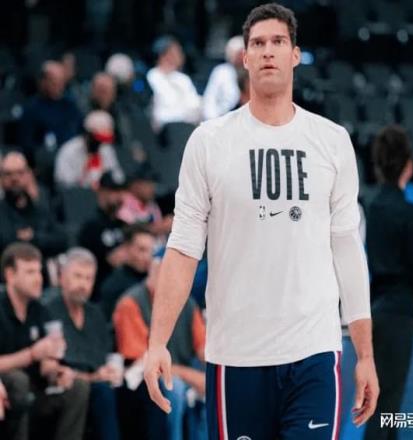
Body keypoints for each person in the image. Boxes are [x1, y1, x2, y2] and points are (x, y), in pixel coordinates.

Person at [144, 4, 378, 440]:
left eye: (278, 42)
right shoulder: (209, 142)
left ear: (295, 55)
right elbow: (183, 248)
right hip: (236, 354)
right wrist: (158, 341)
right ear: (245, 58)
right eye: (258, 43)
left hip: (313, 351)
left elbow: (347, 250)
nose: (268, 51)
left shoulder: (331, 142)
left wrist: (365, 354)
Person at [364, 125, 413, 440]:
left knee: (387, 403)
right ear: (408, 166)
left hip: (376, 310)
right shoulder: (410, 213)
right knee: (388, 404)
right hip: (401, 312)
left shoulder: (373, 208)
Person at [114, 250, 206, 440]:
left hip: (180, 372)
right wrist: (191, 376)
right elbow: (141, 361)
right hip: (142, 378)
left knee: (214, 387)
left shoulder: (188, 304)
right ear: (152, 270)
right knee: (175, 388)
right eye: (162, 272)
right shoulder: (131, 303)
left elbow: (205, 350)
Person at [0, 243, 89, 440]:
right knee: (18, 380)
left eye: (39, 271)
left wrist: (56, 372)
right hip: (7, 390)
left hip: (35, 390)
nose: (38, 278)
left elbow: (46, 363)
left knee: (78, 387)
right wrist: (32, 354)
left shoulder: (40, 310)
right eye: (30, 272)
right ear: (10, 275)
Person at [45, 248, 122, 440]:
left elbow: (105, 356)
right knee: (100, 392)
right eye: (78, 276)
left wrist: (109, 371)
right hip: (60, 385)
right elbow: (52, 369)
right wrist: (92, 377)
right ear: (62, 277)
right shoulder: (48, 310)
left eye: (89, 278)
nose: (83, 284)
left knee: (128, 390)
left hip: (95, 382)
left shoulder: (95, 313)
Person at [0, 151, 67, 257]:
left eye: (20, 173)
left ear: (29, 175)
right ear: (1, 178)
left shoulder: (41, 210)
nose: (14, 178)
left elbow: (62, 240)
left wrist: (34, 237)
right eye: (8, 174)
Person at [18, 61, 82, 163]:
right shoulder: (31, 109)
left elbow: (79, 133)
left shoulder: (70, 106)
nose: (59, 86)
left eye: (61, 82)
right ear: (43, 82)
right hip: (44, 162)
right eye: (54, 82)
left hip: (72, 159)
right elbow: (27, 145)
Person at [77, 172, 127, 292]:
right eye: (114, 191)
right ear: (101, 192)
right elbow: (114, 259)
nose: (119, 196)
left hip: (124, 286)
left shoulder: (123, 225)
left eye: (121, 191)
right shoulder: (91, 226)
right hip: (100, 289)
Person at [54, 110, 124, 188]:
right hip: (78, 192)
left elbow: (118, 176)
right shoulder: (69, 151)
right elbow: (65, 184)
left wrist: (108, 180)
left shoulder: (105, 148)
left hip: (104, 192)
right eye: (98, 140)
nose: (100, 144)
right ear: (88, 135)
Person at [100, 224, 155, 321]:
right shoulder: (113, 286)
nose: (147, 257)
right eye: (141, 250)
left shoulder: (156, 281)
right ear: (126, 248)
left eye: (151, 251)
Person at [147, 35, 202, 130]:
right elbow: (163, 109)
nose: (181, 55)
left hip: (187, 126)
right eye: (177, 52)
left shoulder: (183, 79)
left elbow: (194, 105)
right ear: (163, 55)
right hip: (163, 129)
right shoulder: (153, 76)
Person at [202, 35, 245, 119]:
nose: (239, 57)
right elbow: (209, 99)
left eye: (242, 53)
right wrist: (212, 120)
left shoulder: (254, 72)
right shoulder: (221, 71)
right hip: (222, 117)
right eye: (236, 54)